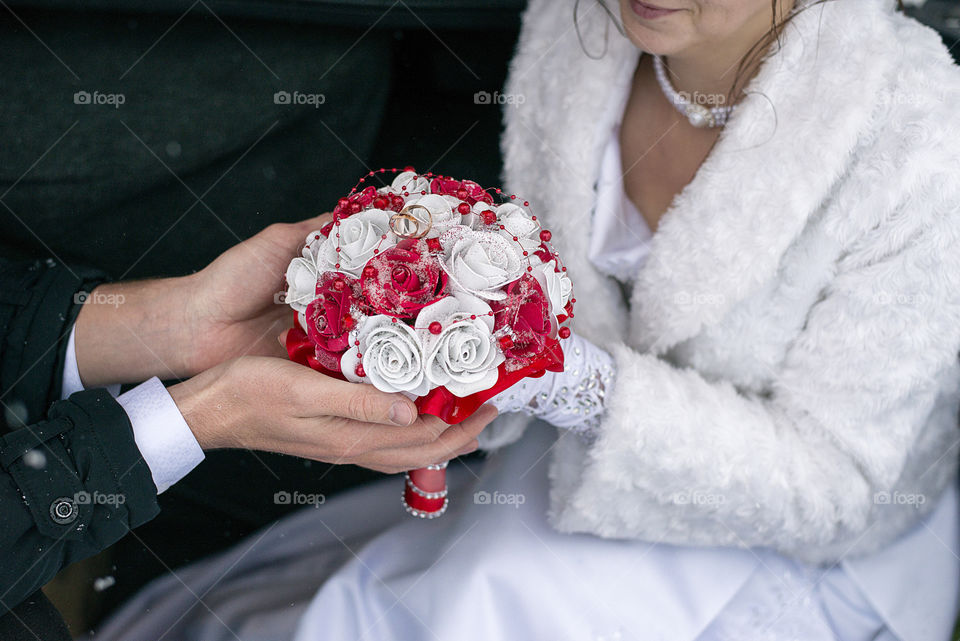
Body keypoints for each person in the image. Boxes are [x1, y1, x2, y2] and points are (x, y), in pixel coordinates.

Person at [87, 0, 960, 640]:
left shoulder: (921, 136)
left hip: (802, 537)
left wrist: (573, 381)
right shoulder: (578, 28)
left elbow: (839, 487)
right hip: (567, 471)